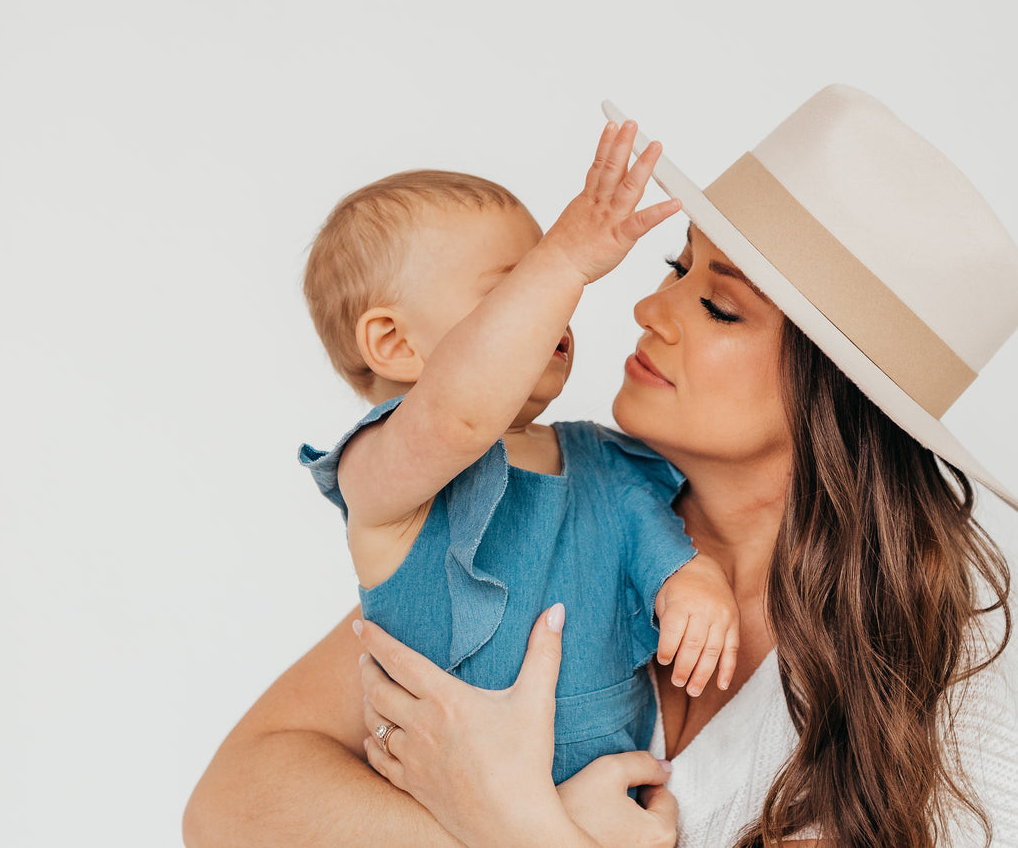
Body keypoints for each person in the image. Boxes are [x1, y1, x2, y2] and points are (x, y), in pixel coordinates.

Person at [184, 85, 1018, 848]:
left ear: (836, 394)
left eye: (717, 303)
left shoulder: (915, 662)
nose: (645, 305)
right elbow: (230, 806)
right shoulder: (549, 511)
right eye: (678, 265)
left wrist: (514, 823)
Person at [292, 122, 740, 785]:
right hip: (440, 812)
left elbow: (655, 540)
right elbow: (457, 418)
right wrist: (562, 257)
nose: (555, 302)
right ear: (393, 343)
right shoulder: (383, 471)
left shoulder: (601, 458)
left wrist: (691, 582)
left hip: (614, 790)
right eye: (517, 288)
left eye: (555, 286)